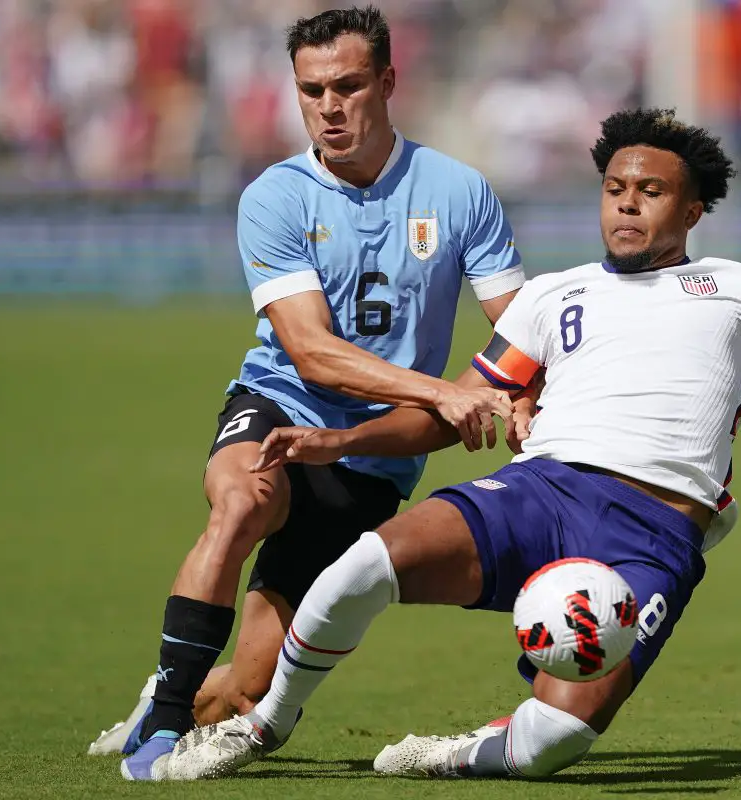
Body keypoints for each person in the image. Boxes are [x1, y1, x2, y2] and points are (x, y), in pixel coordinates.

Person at [163, 107, 741, 782]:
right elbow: (462, 406)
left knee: (553, 746)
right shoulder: (554, 295)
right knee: (359, 568)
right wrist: (342, 440)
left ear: (694, 208)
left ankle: (462, 753)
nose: (627, 206)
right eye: (615, 189)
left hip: (652, 534)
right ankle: (266, 722)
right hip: (542, 489)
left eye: (652, 192)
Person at [99, 7, 528, 781]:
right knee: (242, 503)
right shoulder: (275, 196)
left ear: (388, 82)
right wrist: (445, 392)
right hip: (280, 405)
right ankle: (163, 726)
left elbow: (520, 327)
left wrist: (522, 396)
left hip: (373, 460)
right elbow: (311, 351)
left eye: (348, 86)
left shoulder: (460, 192)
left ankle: (170, 693)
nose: (329, 107)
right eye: (311, 90)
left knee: (246, 688)